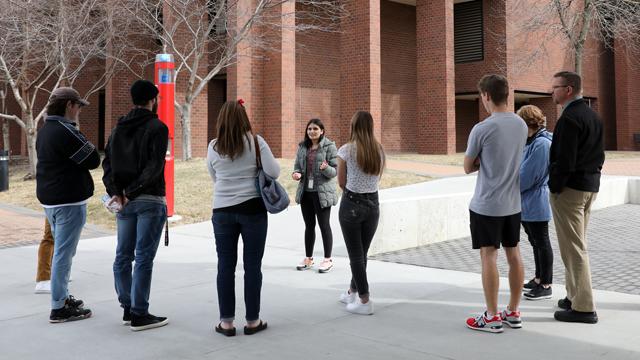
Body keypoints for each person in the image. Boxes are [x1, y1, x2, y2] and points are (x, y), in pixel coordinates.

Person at [207, 100, 280, 336]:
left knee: (225, 267)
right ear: (244, 118)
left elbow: (214, 176)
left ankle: (226, 323)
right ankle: (252, 321)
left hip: (222, 211)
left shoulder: (214, 146)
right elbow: (274, 172)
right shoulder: (256, 142)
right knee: (252, 267)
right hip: (252, 209)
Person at [102, 79, 169, 331]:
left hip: (124, 202)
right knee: (143, 257)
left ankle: (128, 307)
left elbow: (106, 163)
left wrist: (117, 193)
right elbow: (155, 166)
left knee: (123, 256)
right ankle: (140, 312)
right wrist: (131, 191)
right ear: (153, 100)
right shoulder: (157, 127)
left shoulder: (118, 127)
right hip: (148, 199)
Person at [463, 74, 527, 333]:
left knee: (489, 254)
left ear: (486, 96)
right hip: (513, 203)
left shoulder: (482, 128)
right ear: (507, 95)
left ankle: (491, 316)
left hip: (487, 204)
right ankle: (513, 311)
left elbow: (467, 166)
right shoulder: (521, 125)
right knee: (514, 253)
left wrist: (480, 160)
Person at [36, 87, 99, 323]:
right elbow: (93, 159)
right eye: (79, 106)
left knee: (62, 251)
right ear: (69, 105)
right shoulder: (65, 131)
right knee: (64, 253)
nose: (80, 110)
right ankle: (59, 307)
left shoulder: (45, 131)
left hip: (50, 200)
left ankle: (61, 297)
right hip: (69, 201)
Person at [548, 71, 604, 324]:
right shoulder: (593, 115)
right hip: (589, 187)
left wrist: (555, 186)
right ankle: (573, 296)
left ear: (568, 89)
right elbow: (599, 156)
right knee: (574, 246)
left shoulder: (569, 118)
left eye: (555, 87)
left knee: (574, 248)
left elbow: (564, 160)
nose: (552, 91)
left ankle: (583, 308)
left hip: (570, 190)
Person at [337, 111, 385, 316]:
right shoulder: (379, 150)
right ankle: (352, 291)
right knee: (361, 254)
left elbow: (341, 182)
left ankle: (364, 300)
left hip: (352, 204)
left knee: (356, 256)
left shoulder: (346, 150)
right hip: (373, 204)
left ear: (353, 126)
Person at [517, 105, 553, 301]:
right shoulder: (530, 141)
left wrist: (510, 185)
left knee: (542, 242)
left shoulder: (541, 144)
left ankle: (546, 284)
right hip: (527, 202)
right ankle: (539, 278)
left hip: (536, 201)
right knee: (535, 242)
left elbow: (527, 176)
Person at [292, 118, 338, 273]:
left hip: (322, 193)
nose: (311, 131)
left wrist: (326, 168)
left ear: (322, 131)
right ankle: (308, 258)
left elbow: (335, 171)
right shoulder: (302, 147)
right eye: (309, 129)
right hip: (306, 192)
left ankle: (327, 259)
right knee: (309, 226)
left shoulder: (329, 146)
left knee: (324, 225)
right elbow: (297, 167)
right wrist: (296, 173)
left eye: (315, 129)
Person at [35, 219, 54, 294]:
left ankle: (57, 271)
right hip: (55, 208)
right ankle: (43, 280)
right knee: (49, 237)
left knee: (61, 237)